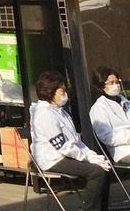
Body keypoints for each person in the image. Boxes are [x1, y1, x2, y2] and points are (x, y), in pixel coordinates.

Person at [30, 69, 112, 211]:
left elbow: (75, 140)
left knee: (106, 167)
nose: (65, 94)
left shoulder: (61, 112)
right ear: (50, 92)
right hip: (52, 159)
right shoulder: (45, 114)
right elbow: (61, 146)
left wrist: (90, 154)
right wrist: (85, 158)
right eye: (62, 91)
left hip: (67, 154)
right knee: (97, 172)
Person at [90, 66, 130, 164]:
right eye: (111, 83)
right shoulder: (99, 108)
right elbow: (107, 137)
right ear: (102, 85)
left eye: (117, 82)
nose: (116, 85)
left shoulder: (126, 102)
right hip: (123, 151)